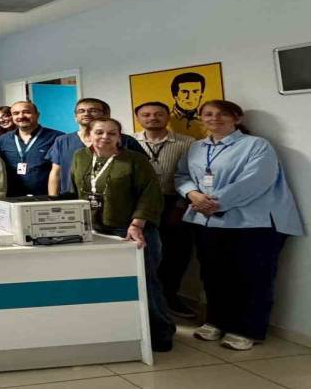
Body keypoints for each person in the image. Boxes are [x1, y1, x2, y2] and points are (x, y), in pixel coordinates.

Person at [175, 100, 305, 351]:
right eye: (208, 114)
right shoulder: (196, 147)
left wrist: (214, 203)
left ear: (237, 118)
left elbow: (256, 181)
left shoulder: (256, 145)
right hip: (208, 222)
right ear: (201, 118)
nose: (214, 118)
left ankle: (248, 329)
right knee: (213, 275)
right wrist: (193, 194)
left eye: (222, 114)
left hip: (253, 223)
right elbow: (182, 176)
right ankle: (217, 321)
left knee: (252, 278)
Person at [71, 117, 175, 352]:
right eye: (99, 132)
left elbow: (150, 194)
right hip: (96, 229)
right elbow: (76, 190)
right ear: (89, 135)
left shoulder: (135, 160)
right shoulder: (80, 157)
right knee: (106, 282)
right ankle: (118, 331)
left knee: (145, 281)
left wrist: (137, 224)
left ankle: (161, 333)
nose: (105, 137)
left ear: (120, 137)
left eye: (112, 133)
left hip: (131, 229)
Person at [133, 101, 196, 318]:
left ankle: (170, 297)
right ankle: (147, 302)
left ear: (168, 116)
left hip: (175, 202)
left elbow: (192, 174)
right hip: (140, 205)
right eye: (146, 114)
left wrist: (180, 205)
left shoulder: (187, 142)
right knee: (146, 253)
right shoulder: (129, 141)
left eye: (158, 114)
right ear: (138, 118)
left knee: (177, 254)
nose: (153, 118)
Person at [47, 98, 146, 195]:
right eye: (81, 111)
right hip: (73, 198)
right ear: (75, 117)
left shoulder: (126, 140)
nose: (86, 114)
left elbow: (143, 173)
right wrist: (53, 199)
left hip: (117, 198)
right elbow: (55, 173)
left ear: (106, 115)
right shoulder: (62, 140)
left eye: (93, 110)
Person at [0, 101, 64, 196]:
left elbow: (61, 171)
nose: (21, 116)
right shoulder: (3, 139)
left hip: (45, 197)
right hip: (13, 197)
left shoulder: (57, 138)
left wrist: (53, 198)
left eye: (26, 112)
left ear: (37, 115)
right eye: (16, 113)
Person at [169, 72, 206, 138]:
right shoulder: (165, 122)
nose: (190, 97)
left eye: (195, 91)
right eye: (184, 92)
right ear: (175, 95)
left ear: (201, 94)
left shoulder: (208, 121)